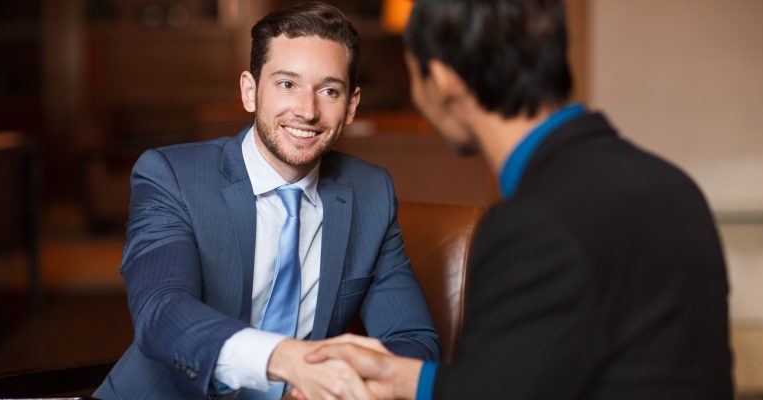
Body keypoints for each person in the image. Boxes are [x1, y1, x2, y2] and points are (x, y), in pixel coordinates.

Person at [304, 0, 734, 399]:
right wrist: (406, 378)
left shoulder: (536, 225)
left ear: (444, 79)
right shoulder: (673, 186)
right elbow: (525, 377)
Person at [93, 2, 440, 399]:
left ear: (351, 106)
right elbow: (161, 313)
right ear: (250, 90)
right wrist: (284, 359)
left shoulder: (371, 192)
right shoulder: (172, 176)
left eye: (329, 91)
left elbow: (413, 340)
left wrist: (344, 387)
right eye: (287, 84)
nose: (307, 111)